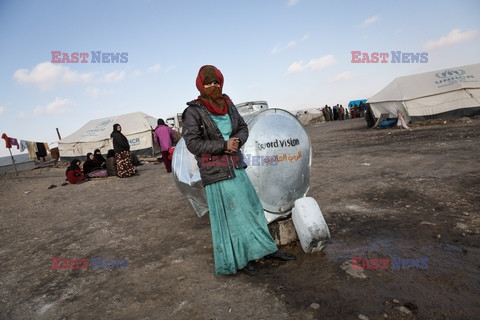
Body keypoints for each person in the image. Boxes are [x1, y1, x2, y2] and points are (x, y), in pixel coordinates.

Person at [182, 65, 295, 276]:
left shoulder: (228, 105)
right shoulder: (193, 111)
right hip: (216, 172)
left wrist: (237, 141)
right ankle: (243, 259)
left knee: (252, 208)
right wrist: (223, 146)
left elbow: (243, 128)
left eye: (216, 82)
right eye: (208, 83)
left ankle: (267, 249)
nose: (213, 86)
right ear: (200, 85)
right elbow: (193, 143)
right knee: (234, 216)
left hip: (236, 165)